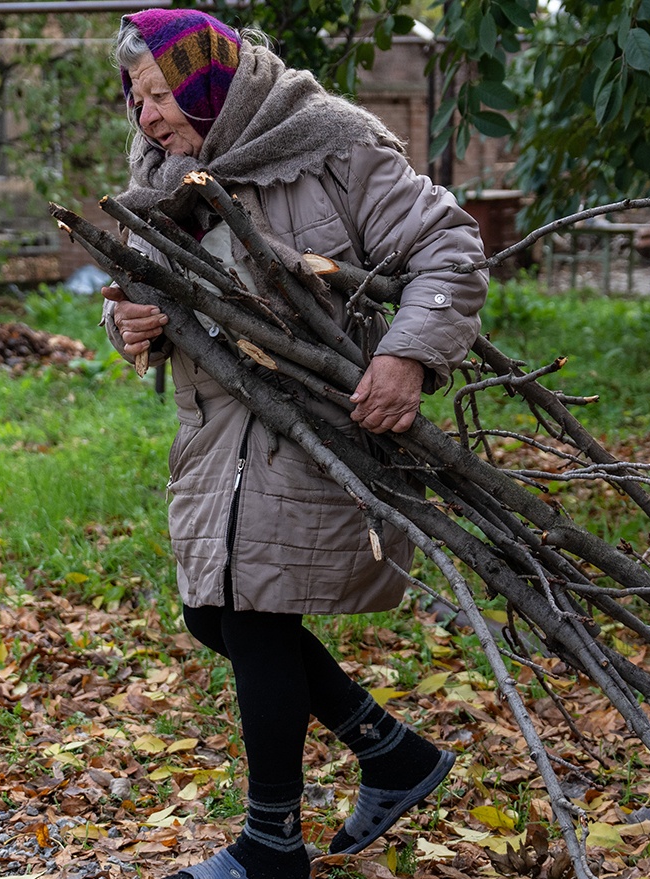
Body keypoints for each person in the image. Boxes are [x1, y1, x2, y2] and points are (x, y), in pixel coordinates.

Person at [98, 9, 487, 879]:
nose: (147, 115)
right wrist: (131, 320)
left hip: (311, 426)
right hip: (215, 435)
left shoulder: (329, 143)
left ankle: (271, 845)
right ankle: (391, 754)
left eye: (160, 93)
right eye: (136, 98)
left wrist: (406, 356)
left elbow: (448, 245)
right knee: (215, 612)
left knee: (251, 612)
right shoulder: (164, 172)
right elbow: (132, 287)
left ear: (209, 80)